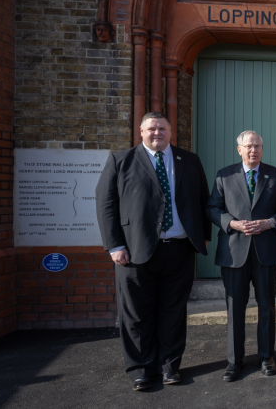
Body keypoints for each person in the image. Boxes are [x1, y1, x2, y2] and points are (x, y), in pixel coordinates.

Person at [96, 112, 210, 391]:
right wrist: (115, 245)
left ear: (171, 133)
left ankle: (169, 367)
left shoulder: (190, 160)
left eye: (162, 128)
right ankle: (140, 370)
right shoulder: (120, 160)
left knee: (173, 313)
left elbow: (202, 199)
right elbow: (105, 204)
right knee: (136, 314)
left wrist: (203, 236)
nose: (157, 132)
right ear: (141, 131)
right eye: (151, 128)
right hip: (133, 253)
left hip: (180, 249)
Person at [206, 131, 276, 382]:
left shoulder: (275, 174)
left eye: (257, 146)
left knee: (267, 306)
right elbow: (212, 208)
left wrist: (270, 222)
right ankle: (235, 361)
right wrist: (232, 223)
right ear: (239, 150)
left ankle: (266, 356)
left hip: (266, 253)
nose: (253, 150)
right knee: (235, 308)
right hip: (233, 253)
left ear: (262, 149)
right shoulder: (225, 175)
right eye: (248, 146)